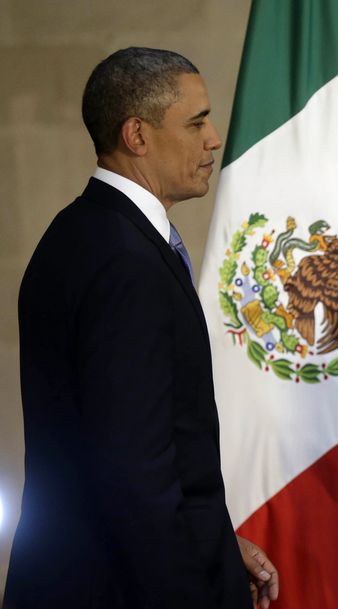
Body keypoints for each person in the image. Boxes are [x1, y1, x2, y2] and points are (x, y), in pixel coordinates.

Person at [4, 47, 279, 609]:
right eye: (197, 121)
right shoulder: (126, 260)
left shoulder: (81, 232)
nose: (214, 139)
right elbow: (135, 476)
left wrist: (217, 549)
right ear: (137, 135)